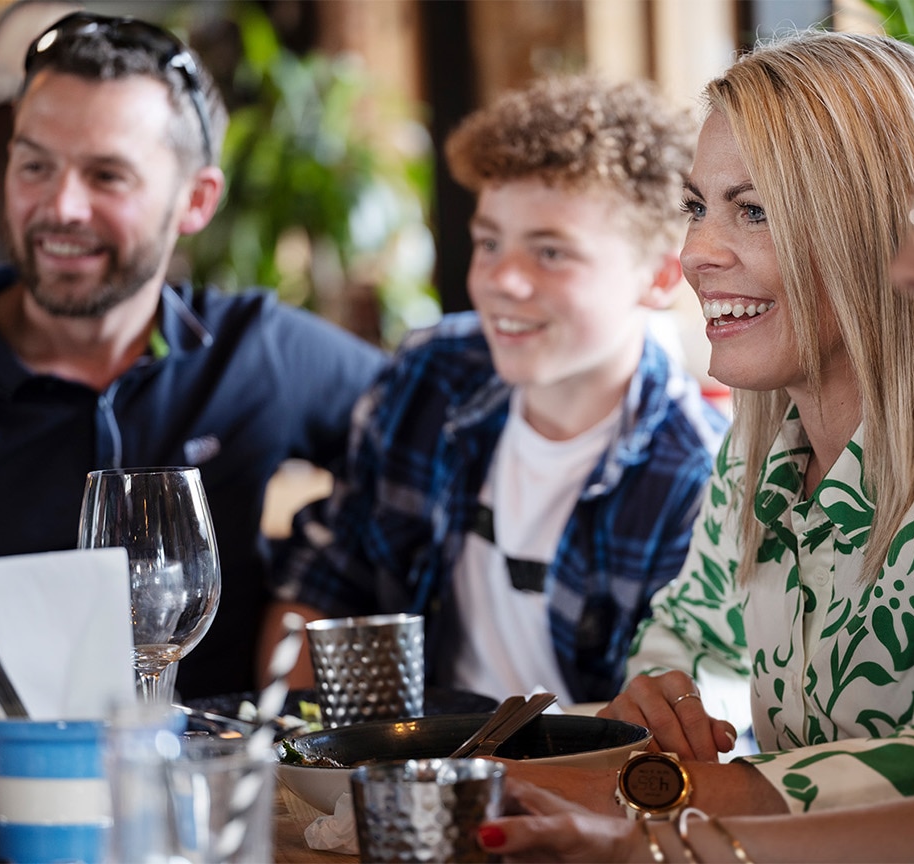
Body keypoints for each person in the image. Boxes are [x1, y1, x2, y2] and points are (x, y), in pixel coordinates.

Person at [480, 4, 914, 860]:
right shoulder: (754, 453)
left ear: (879, 232)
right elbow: (684, 639)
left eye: (755, 212)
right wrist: (657, 698)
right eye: (698, 206)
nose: (699, 251)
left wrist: (642, 796)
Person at [261, 76, 729, 704]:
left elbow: (669, 728)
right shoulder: (432, 374)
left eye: (551, 252)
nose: (502, 279)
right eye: (488, 242)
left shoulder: (698, 476)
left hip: (585, 783)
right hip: (415, 769)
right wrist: (294, 751)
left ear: (659, 276)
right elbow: (322, 584)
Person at [0, 13, 386, 699]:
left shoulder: (255, 350)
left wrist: (313, 577)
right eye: (34, 165)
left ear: (195, 201)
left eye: (107, 175)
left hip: (207, 785)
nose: (61, 206)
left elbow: (441, 411)